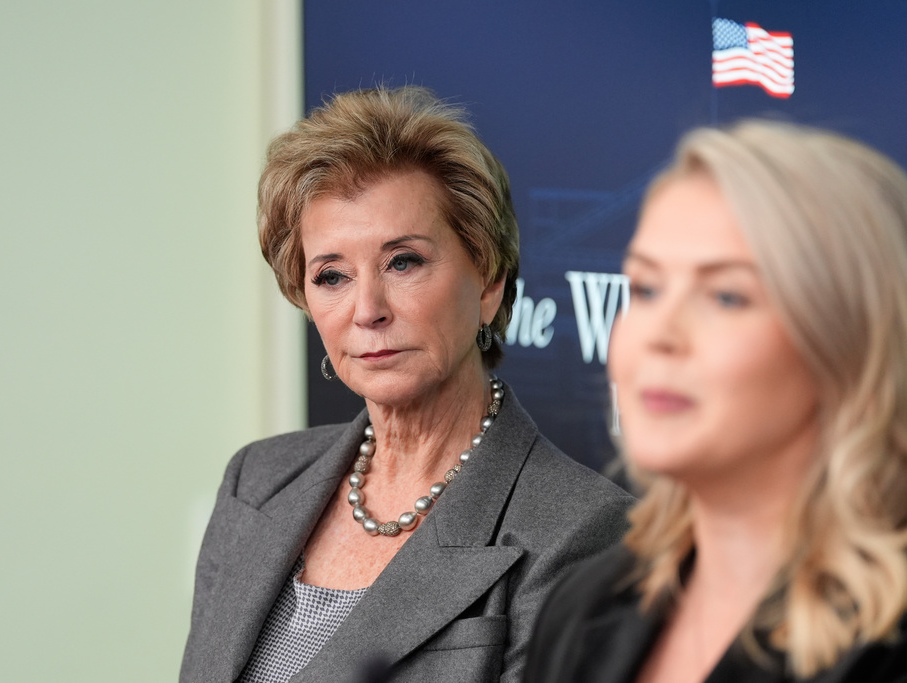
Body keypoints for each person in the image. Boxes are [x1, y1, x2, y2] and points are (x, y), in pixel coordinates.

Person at [524, 121, 907, 683]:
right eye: (646, 289)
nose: (659, 334)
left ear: (853, 346)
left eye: (727, 296)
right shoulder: (585, 605)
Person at [180, 86, 632, 683]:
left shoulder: (586, 532)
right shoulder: (256, 481)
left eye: (403, 262)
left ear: (489, 282)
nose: (367, 310)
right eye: (332, 276)